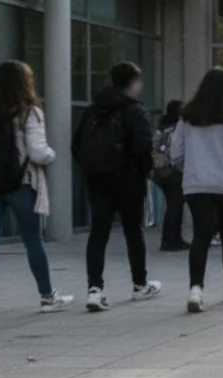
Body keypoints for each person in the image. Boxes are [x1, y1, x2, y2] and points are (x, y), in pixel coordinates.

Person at [0, 61, 73, 319]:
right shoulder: (29, 113)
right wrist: (53, 155)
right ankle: (47, 296)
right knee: (33, 240)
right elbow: (38, 153)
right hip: (22, 184)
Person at [74, 61, 161, 311]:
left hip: (98, 180)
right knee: (133, 232)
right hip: (128, 180)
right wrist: (143, 172)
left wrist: (92, 169)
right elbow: (144, 147)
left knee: (98, 233)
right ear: (133, 82)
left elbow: (77, 145)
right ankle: (139, 284)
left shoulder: (93, 110)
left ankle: (94, 288)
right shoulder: (134, 110)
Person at [170, 67, 223, 313]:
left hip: (197, 185)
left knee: (201, 235)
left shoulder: (187, 117)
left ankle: (196, 289)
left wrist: (190, 169)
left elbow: (176, 153)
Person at [154, 100, 189, 252]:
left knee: (173, 205)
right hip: (174, 171)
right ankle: (171, 240)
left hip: (161, 171)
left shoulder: (161, 127)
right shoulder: (178, 129)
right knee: (176, 206)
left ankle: (171, 239)